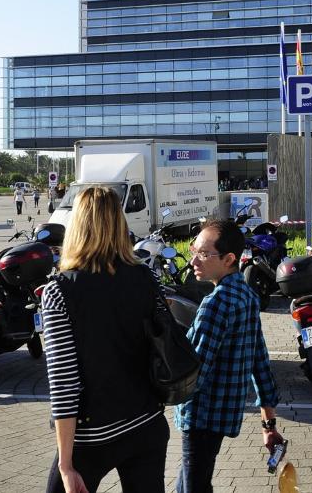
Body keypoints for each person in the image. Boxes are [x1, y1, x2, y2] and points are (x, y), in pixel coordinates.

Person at [41, 186, 168, 493]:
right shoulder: (145, 278)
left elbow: (64, 383)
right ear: (120, 224)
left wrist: (66, 464)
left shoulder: (59, 291)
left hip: (91, 437)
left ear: (77, 227)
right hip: (146, 423)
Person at [174, 218, 282, 493]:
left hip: (200, 416)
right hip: (221, 418)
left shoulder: (216, 302)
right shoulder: (246, 295)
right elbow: (260, 360)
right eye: (193, 250)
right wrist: (268, 424)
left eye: (203, 254)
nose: (194, 261)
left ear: (229, 259)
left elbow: (194, 371)